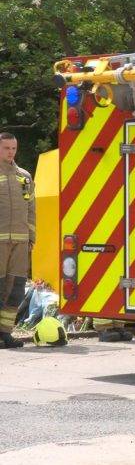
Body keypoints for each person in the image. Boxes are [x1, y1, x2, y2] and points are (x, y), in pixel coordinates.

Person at [0, 132, 33, 349]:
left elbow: (32, 209)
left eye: (13, 148)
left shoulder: (25, 176)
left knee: (15, 289)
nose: (10, 152)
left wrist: (32, 238)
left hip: (20, 243)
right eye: (6, 148)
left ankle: (6, 333)